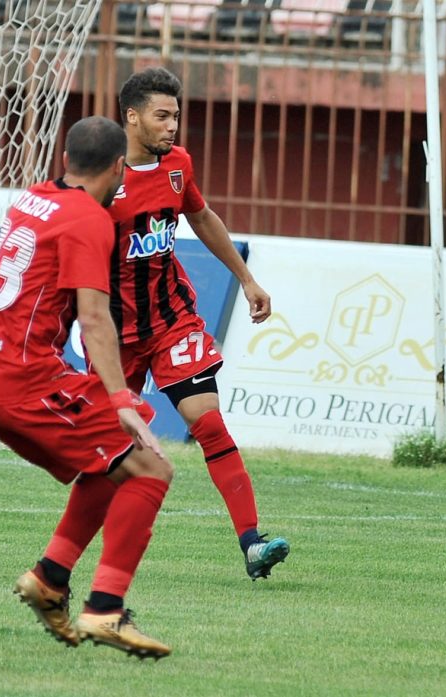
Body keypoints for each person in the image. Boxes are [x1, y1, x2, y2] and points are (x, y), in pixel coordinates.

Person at [0, 116, 173, 659]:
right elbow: (94, 319)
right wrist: (121, 398)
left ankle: (50, 578)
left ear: (66, 160)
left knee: (114, 461)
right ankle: (106, 610)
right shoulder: (88, 220)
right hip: (25, 381)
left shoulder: (33, 198)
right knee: (152, 467)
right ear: (118, 168)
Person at [108, 67, 289, 580]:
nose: (172, 126)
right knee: (111, 447)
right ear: (132, 117)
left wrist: (247, 280)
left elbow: (202, 216)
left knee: (208, 423)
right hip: (114, 333)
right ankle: (78, 558)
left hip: (172, 322)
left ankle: (252, 544)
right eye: (162, 116)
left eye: (176, 116)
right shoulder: (101, 175)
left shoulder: (178, 165)